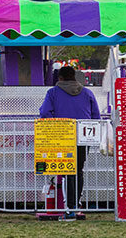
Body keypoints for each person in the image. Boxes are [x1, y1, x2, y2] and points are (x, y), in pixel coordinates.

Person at [39, 65, 101, 220]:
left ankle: (69, 206)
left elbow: (45, 112)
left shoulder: (53, 92)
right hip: (83, 136)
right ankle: (75, 203)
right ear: (75, 77)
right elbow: (96, 116)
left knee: (66, 171)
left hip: (62, 136)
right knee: (78, 170)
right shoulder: (87, 92)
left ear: (60, 78)